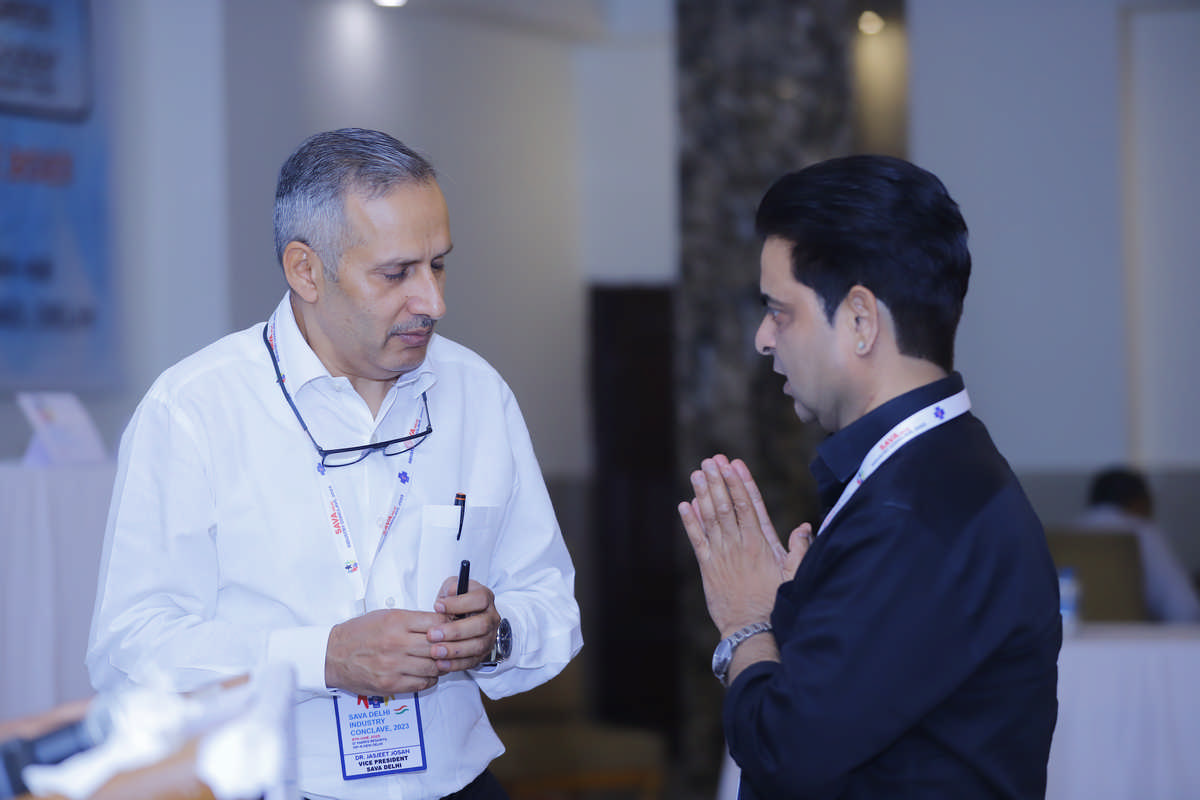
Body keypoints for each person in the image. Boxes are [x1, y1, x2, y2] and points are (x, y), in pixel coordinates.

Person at [87, 128, 583, 800]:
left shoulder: (477, 393)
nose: (433, 302)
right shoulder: (194, 409)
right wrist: (321, 658)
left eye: (438, 265)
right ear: (305, 270)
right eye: (396, 273)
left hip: (458, 784)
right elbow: (130, 652)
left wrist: (495, 638)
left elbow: (551, 599)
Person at [678, 155, 1061, 799]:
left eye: (780, 310)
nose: (763, 338)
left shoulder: (913, 513)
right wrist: (793, 615)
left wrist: (747, 623)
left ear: (860, 320)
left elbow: (785, 754)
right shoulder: (932, 473)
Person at [1073, 466, 1200, 622]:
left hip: (1070, 636)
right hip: (1131, 635)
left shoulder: (1069, 535)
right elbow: (1184, 607)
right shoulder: (1143, 532)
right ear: (1140, 501)